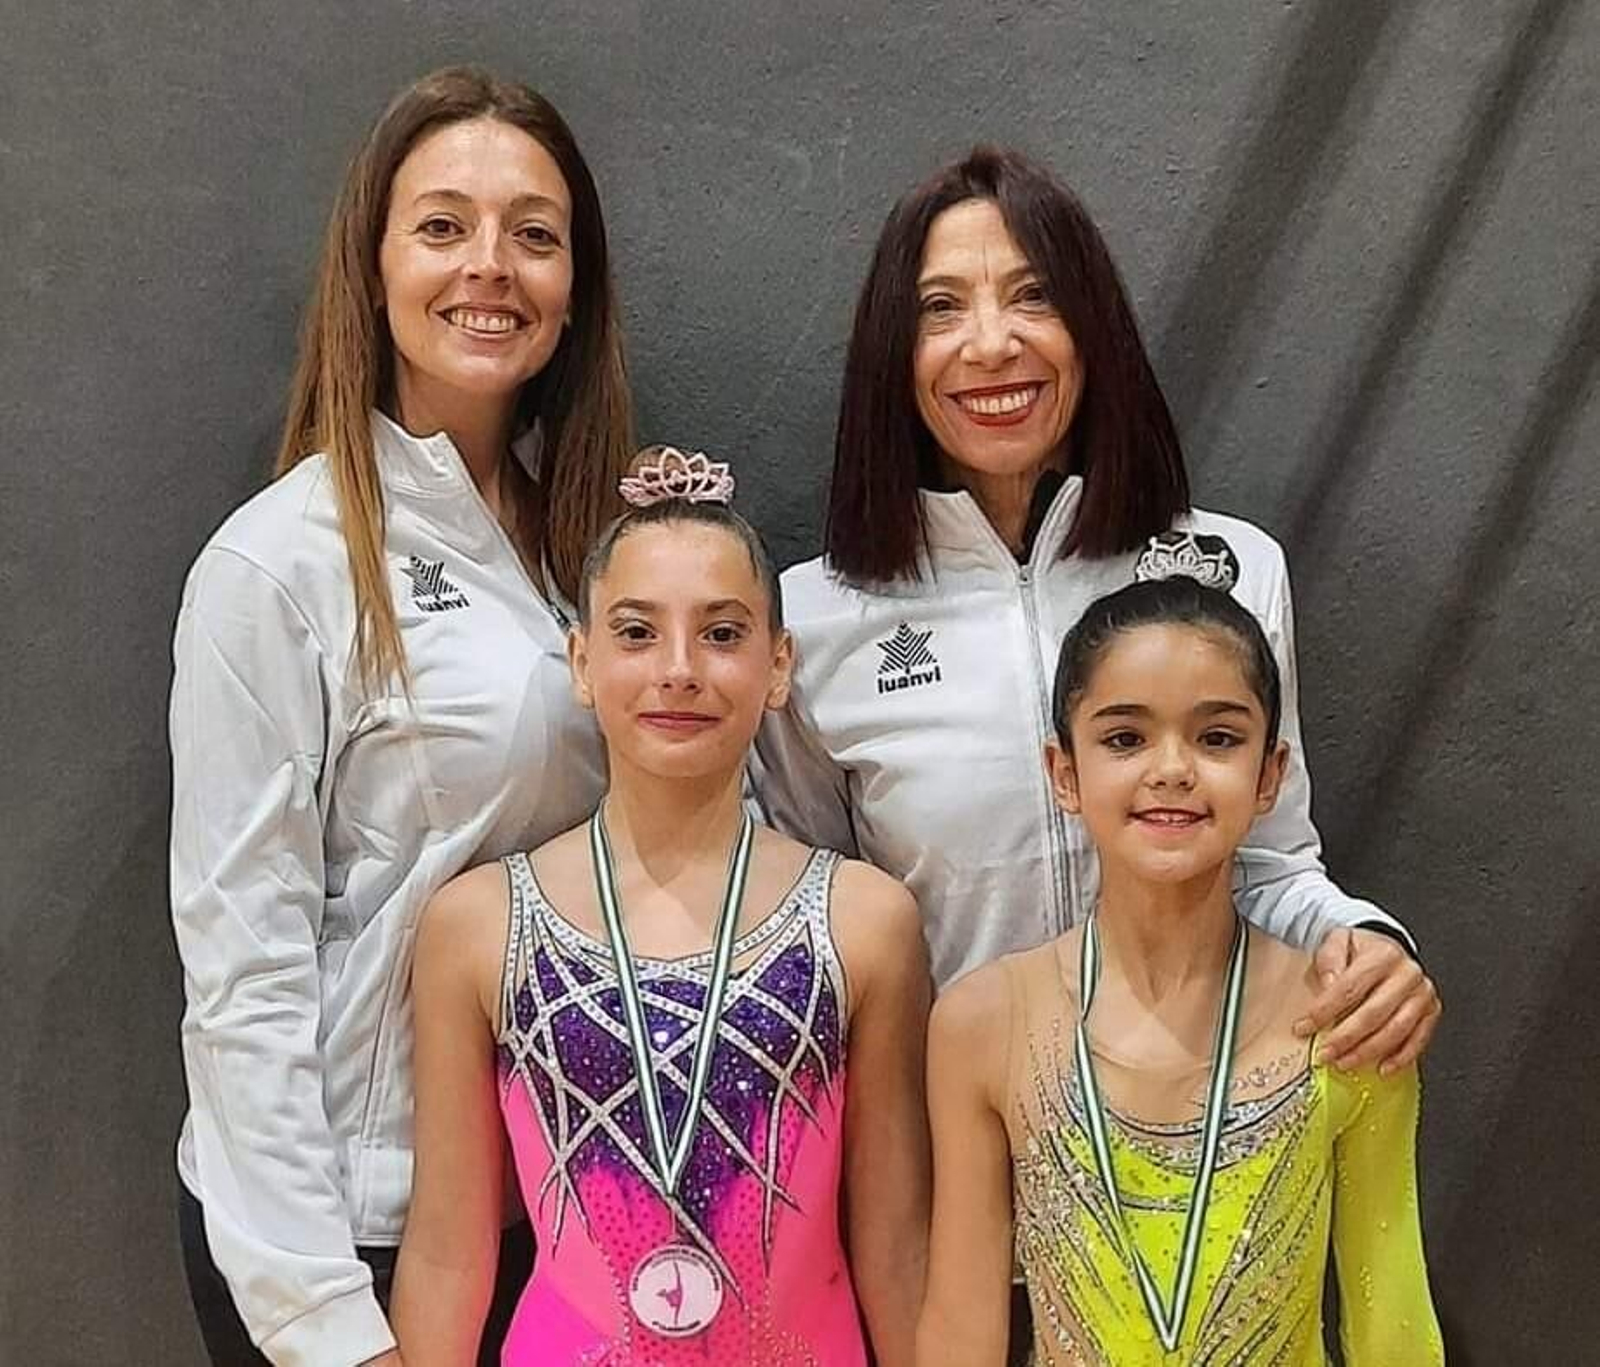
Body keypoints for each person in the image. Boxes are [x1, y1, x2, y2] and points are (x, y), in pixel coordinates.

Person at [754, 143, 1439, 1064]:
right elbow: (814, 921)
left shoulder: (1229, 570)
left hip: (1192, 1128)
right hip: (953, 1141)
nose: (992, 343)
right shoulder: (815, 618)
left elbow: (1272, 864)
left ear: (1094, 327)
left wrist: (1365, 947)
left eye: (1035, 296)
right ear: (894, 352)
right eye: (941, 308)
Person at [169, 67, 632, 1366]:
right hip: (359, 1233)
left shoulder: (601, 551)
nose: (490, 265)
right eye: (442, 225)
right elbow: (242, 968)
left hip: (569, 1213)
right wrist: (318, 1316)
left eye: (534, 234)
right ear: (372, 266)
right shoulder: (280, 565)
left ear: (575, 284)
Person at [390, 448, 930, 1365]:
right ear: (582, 658)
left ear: (778, 663)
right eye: (637, 633)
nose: (679, 669)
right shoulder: (477, 926)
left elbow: (895, 1239)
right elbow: (450, 1248)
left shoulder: (863, 921)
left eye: (722, 634)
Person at [918, 576, 1444, 1365]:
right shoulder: (984, 1023)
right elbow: (961, 1329)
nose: (1172, 769)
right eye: (1125, 738)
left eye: (1218, 738)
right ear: (1065, 772)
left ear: (1271, 775)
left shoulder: (1349, 1020)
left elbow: (1391, 1322)